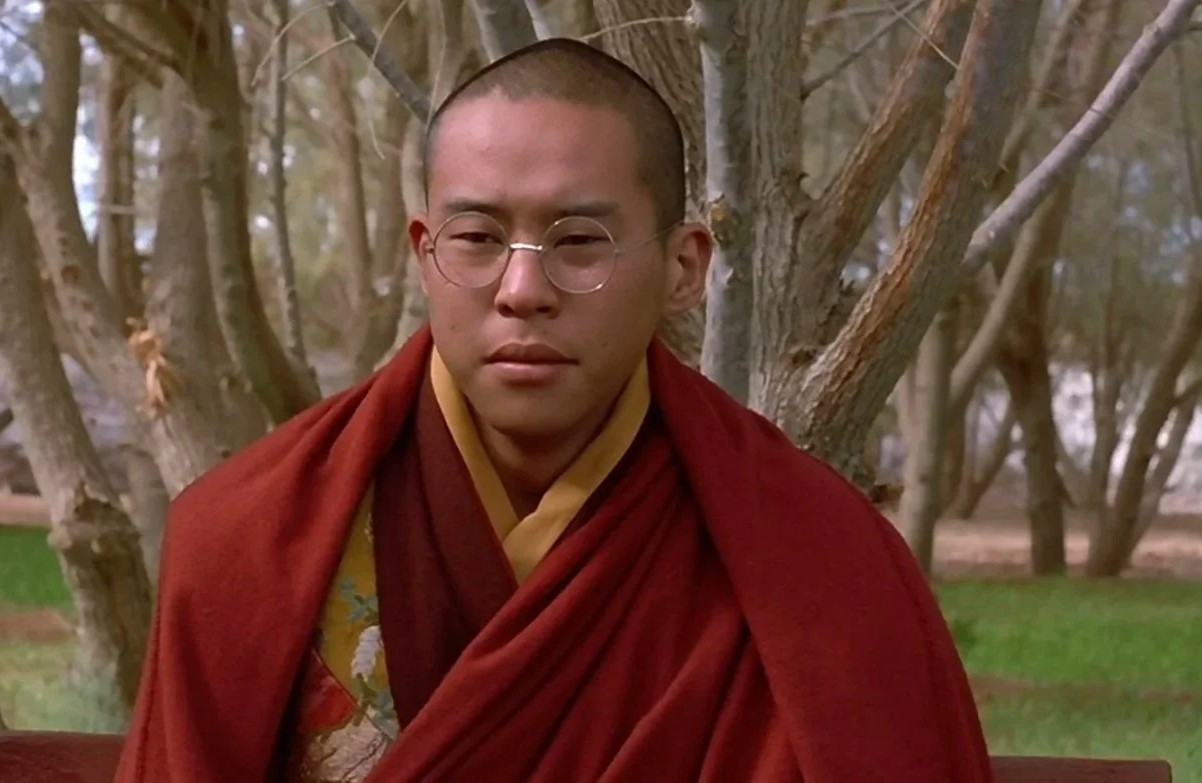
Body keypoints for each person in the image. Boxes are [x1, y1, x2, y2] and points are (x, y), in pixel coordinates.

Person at [114, 37, 992, 783]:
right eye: (477, 238)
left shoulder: (819, 568)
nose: (522, 289)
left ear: (684, 267)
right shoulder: (245, 541)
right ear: (425, 254)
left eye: (580, 241)